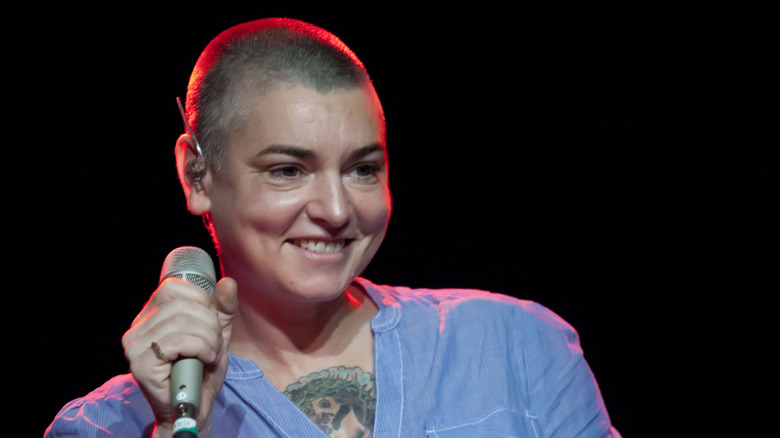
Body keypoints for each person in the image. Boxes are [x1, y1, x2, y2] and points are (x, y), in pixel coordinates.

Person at [45, 17, 621, 437]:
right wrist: (177, 426)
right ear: (197, 175)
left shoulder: (517, 344)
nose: (338, 209)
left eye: (363, 169)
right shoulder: (107, 426)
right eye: (289, 170)